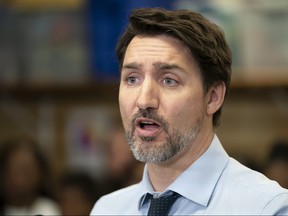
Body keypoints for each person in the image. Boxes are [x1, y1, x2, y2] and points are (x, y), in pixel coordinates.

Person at [90, 8, 288, 215]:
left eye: (169, 80)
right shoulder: (106, 209)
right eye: (132, 79)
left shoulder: (267, 208)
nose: (144, 100)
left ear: (212, 97)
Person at [0, 138, 60, 215]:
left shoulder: (49, 210)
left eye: (26, 172)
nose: (18, 180)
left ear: (41, 174)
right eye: (13, 172)